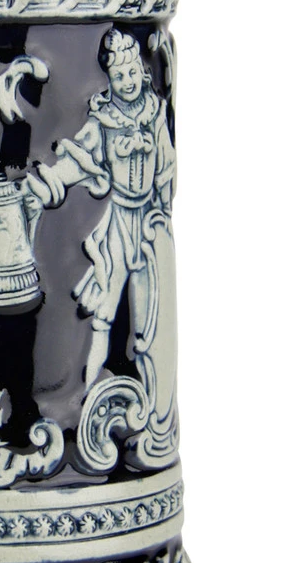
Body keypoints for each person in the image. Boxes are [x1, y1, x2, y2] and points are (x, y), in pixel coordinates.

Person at [27, 28, 175, 388]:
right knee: (104, 313)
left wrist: (163, 192)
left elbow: (167, 161)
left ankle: (147, 391)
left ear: (143, 71)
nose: (128, 81)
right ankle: (89, 390)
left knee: (151, 314)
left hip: (148, 223)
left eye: (132, 72)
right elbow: (78, 159)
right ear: (109, 79)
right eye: (119, 76)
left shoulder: (154, 113)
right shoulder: (103, 122)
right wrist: (52, 179)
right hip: (117, 227)